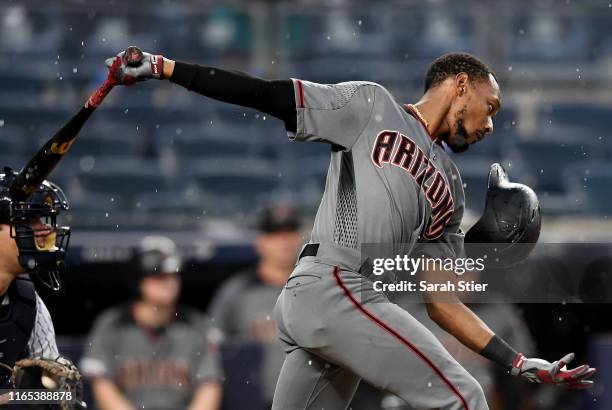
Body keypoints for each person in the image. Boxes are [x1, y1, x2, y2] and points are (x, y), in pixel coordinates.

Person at [105, 50, 596, 409]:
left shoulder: (450, 186)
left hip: (342, 304)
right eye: (492, 106)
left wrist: (515, 361)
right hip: (335, 284)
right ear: (461, 84)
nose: (491, 125)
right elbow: (268, 94)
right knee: (465, 397)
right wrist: (167, 68)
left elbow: (442, 301)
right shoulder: (372, 106)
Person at [0, 63, 119, 409]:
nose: (45, 232)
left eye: (45, 221)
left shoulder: (28, 303)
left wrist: (42, 395)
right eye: (31, 222)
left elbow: (54, 393)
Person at [80, 235, 223, 410]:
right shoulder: (112, 324)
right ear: (140, 282)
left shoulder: (197, 325)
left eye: (173, 276)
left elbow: (209, 387)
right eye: (159, 277)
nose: (169, 283)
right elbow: (102, 384)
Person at [209, 205, 303, 408]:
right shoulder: (236, 292)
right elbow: (212, 349)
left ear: (299, 238)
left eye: (289, 233)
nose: (284, 242)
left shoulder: (319, 287)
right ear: (260, 242)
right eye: (276, 234)